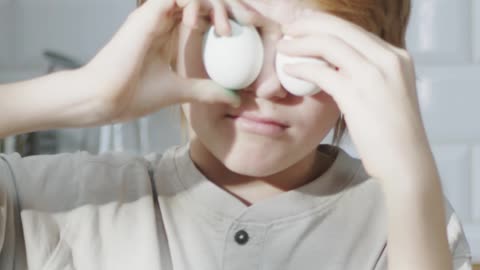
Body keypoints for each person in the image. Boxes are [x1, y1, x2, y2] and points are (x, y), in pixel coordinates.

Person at [0, 0, 472, 269]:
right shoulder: (46, 204)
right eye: (230, 36)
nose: (268, 88)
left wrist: (410, 178)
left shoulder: (410, 220)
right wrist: (83, 94)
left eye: (312, 56)